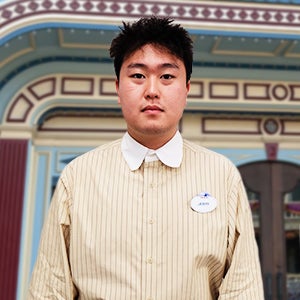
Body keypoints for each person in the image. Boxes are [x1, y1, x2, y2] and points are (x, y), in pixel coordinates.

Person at [28, 16, 264, 299]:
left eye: (167, 76)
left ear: (186, 89)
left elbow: (242, 289)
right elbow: (50, 290)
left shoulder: (221, 176)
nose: (152, 90)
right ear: (118, 88)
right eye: (138, 75)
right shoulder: (78, 177)